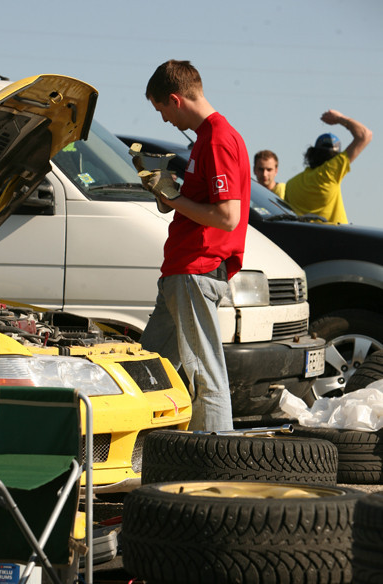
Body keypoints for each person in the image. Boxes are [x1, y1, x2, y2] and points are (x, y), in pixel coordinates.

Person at [137, 59, 250, 432]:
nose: (165, 120)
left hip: (196, 270)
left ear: (175, 98)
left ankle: (214, 468)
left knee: (205, 375)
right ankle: (148, 457)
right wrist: (168, 190)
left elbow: (227, 217)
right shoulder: (205, 138)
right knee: (152, 368)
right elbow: (204, 205)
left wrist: (170, 199)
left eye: (162, 110)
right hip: (182, 271)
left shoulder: (218, 138)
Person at [285, 110, 372, 224]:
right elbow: (365, 135)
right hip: (336, 238)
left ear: (311, 153)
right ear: (335, 159)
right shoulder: (329, 173)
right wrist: (340, 118)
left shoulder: (291, 184)